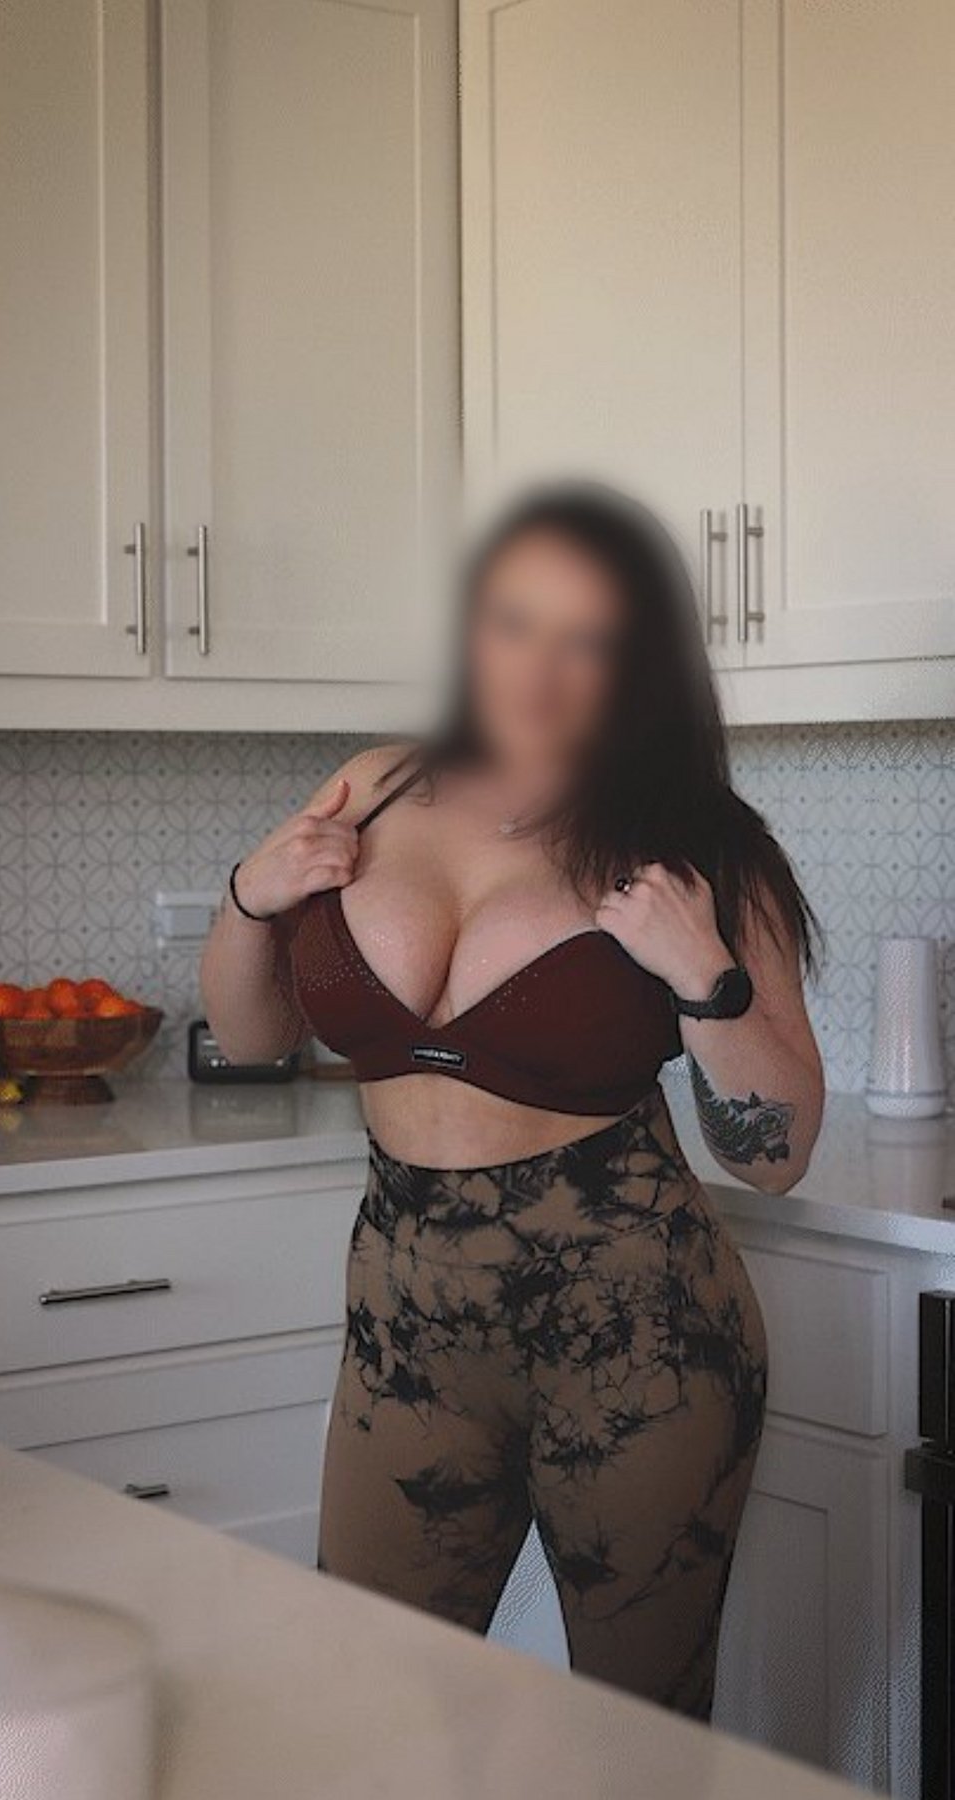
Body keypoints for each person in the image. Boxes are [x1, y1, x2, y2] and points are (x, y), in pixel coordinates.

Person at [201, 484, 824, 1718]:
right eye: (514, 622)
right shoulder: (375, 789)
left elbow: (778, 1153)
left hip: (637, 1339)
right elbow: (254, 1035)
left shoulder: (697, 839)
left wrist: (703, 975)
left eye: (584, 639)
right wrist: (249, 897)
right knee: (366, 1707)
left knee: (636, 1737)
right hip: (406, 1334)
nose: (537, 670)